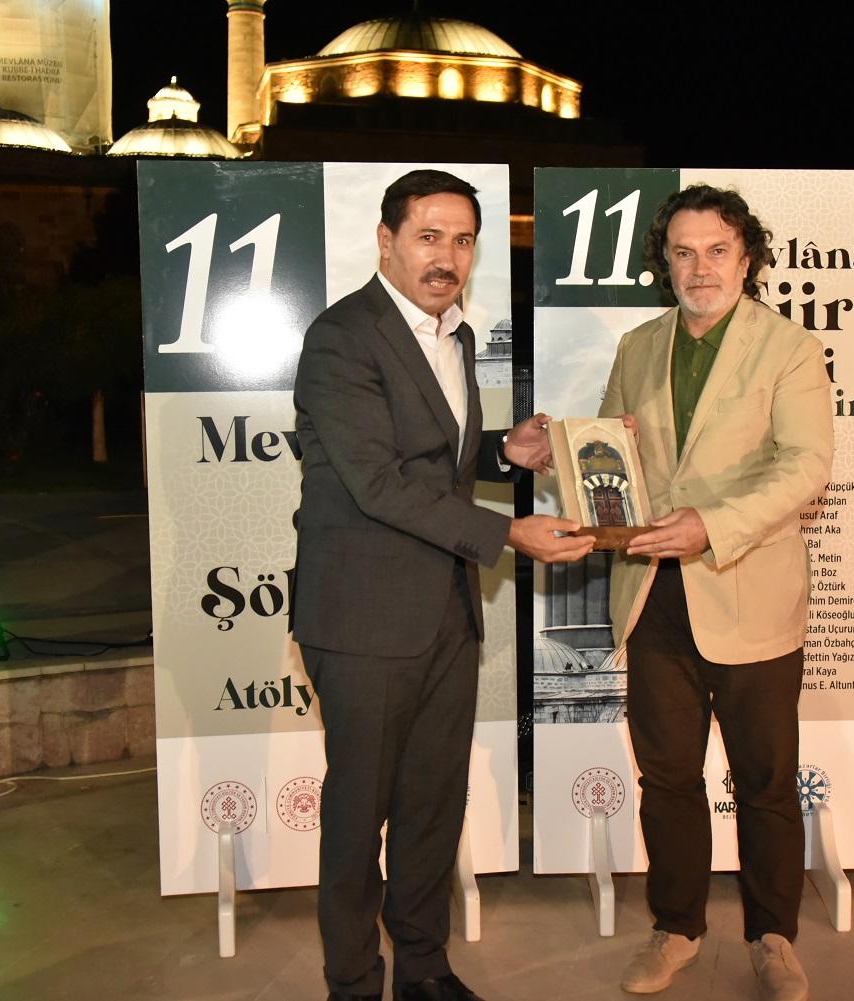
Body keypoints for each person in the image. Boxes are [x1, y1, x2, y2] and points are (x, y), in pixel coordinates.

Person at [293, 168, 593, 1001]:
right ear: (386, 240)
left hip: (447, 612)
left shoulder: (453, 337)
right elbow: (378, 482)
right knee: (359, 813)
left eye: (463, 241)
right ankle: (353, 980)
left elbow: (433, 456)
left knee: (432, 805)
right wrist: (508, 533)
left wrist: (504, 452)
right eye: (429, 236)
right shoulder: (342, 336)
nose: (447, 257)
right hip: (362, 618)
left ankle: (424, 967)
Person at [599, 185, 833, 1001]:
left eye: (718, 250)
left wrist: (713, 525)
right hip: (653, 595)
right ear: (664, 262)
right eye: (684, 251)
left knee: (766, 779)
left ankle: (774, 935)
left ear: (748, 258)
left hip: (750, 591)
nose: (700, 268)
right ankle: (676, 928)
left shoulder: (790, 348)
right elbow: (610, 453)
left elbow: (806, 466)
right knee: (666, 777)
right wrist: (594, 461)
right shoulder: (638, 346)